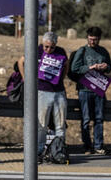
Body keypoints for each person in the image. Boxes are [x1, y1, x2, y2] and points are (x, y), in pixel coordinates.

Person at [70, 27, 111, 155]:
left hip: (98, 88)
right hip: (84, 89)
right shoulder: (82, 51)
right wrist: (90, 67)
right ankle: (87, 146)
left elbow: (109, 67)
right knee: (86, 119)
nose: (93, 42)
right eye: (90, 39)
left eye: (95, 39)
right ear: (87, 37)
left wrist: (105, 66)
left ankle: (98, 145)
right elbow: (74, 68)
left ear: (99, 39)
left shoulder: (103, 51)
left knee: (99, 119)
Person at [35, 31, 69, 159]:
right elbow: (22, 61)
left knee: (60, 124)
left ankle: (58, 151)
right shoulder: (37, 50)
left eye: (52, 47)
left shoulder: (61, 51)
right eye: (46, 47)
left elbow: (66, 64)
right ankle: (38, 151)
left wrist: (62, 77)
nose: (49, 49)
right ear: (42, 44)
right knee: (42, 124)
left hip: (58, 91)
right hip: (43, 91)